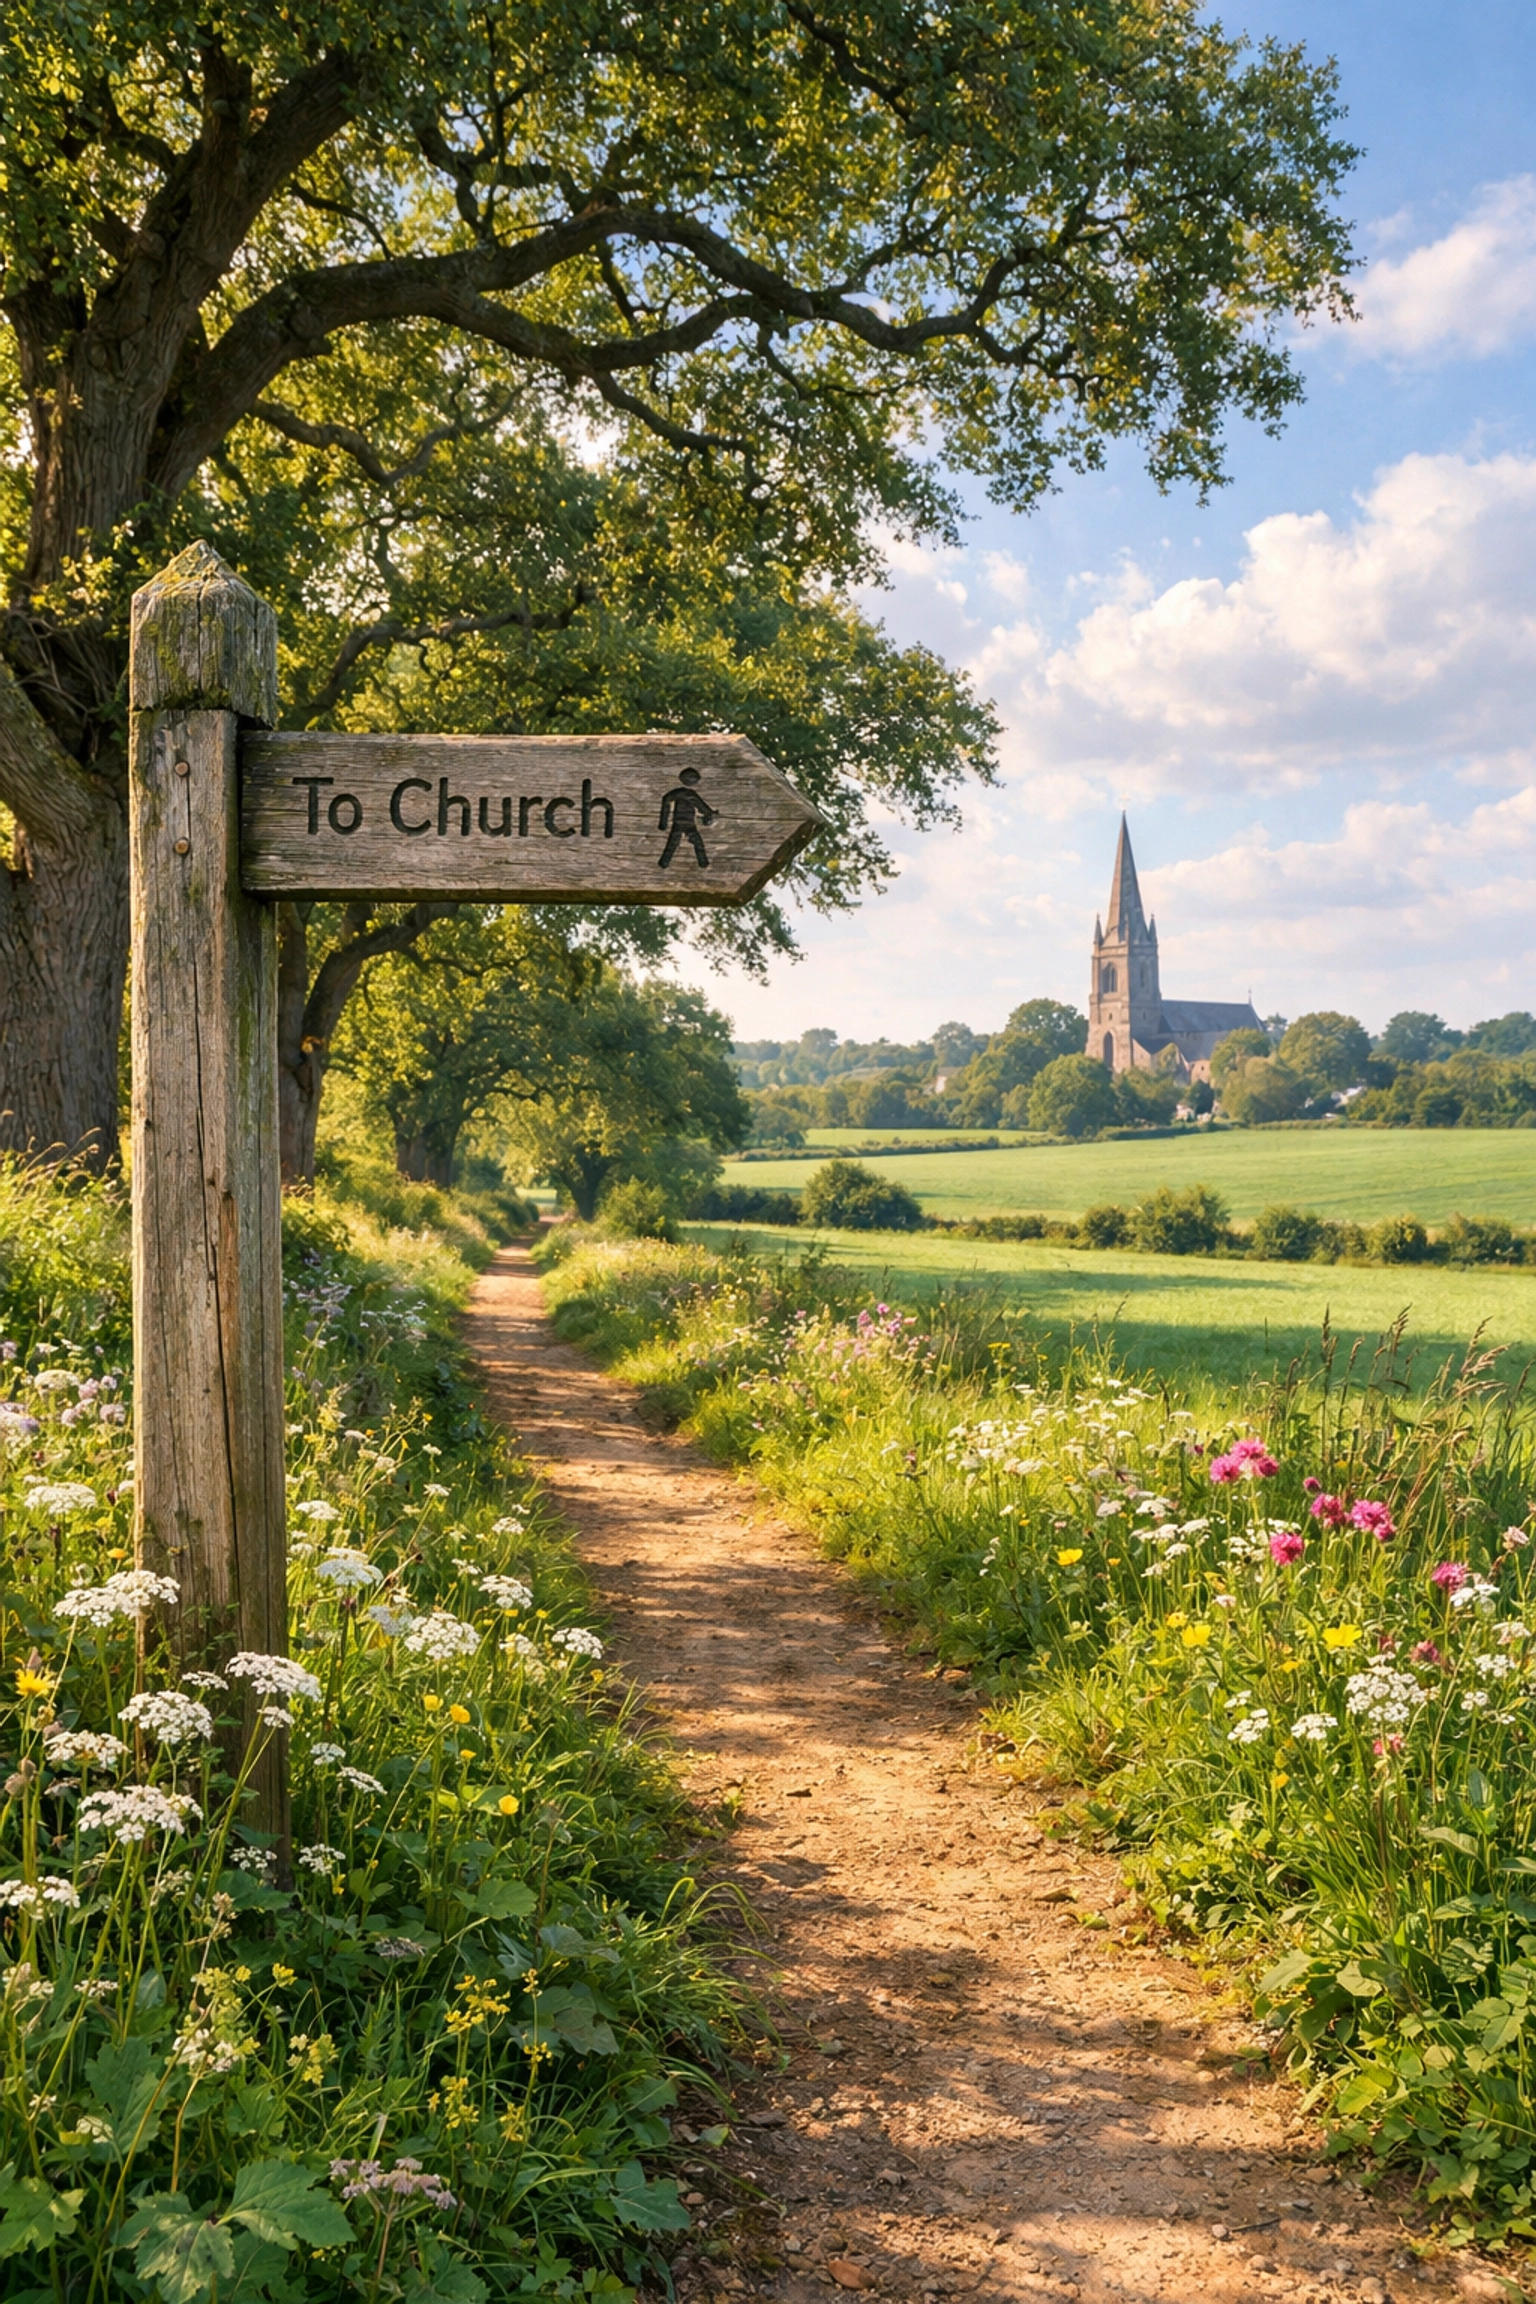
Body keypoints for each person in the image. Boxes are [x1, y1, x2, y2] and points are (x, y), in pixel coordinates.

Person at [657, 766, 717, 868]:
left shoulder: (677, 793)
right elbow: (702, 807)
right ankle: (703, 863)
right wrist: (708, 814)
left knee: (672, 844)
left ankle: (664, 863)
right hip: (688, 823)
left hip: (678, 823)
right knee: (697, 844)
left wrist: (663, 823)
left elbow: (666, 800)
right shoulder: (691, 795)